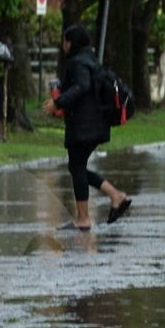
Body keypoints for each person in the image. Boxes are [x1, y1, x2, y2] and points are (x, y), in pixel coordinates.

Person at [42, 25, 131, 231]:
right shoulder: (90, 60)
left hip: (84, 125)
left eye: (65, 40)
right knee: (77, 167)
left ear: (71, 42)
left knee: (77, 167)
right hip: (94, 123)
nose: (63, 45)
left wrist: (58, 102)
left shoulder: (77, 63)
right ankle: (114, 196)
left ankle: (85, 218)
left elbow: (82, 87)